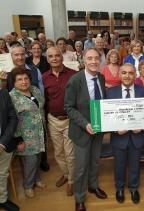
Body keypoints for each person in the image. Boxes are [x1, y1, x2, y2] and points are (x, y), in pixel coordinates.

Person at [64, 48, 107, 211]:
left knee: (95, 161)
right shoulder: (75, 80)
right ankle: (80, 197)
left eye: (96, 58)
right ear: (83, 60)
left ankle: (93, 186)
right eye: (89, 58)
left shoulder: (101, 78)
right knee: (81, 167)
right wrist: (85, 124)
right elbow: (68, 107)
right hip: (82, 131)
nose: (93, 61)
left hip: (98, 130)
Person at [107, 63, 144, 204]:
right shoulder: (110, 92)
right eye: (124, 73)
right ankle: (119, 188)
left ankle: (133, 188)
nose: (127, 76)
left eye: (130, 73)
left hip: (137, 136)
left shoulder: (143, 91)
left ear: (135, 75)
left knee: (135, 164)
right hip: (119, 137)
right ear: (119, 75)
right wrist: (114, 128)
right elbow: (107, 116)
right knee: (119, 164)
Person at [43, 47, 77, 196]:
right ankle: (66, 174)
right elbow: (43, 100)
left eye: (57, 55)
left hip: (70, 119)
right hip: (53, 120)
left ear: (62, 57)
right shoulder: (43, 77)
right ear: (47, 59)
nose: (55, 58)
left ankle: (72, 181)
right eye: (51, 56)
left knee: (70, 153)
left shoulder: (73, 74)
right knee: (58, 152)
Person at [9, 67, 47, 198]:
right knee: (29, 162)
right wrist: (18, 140)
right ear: (14, 82)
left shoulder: (35, 90)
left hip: (39, 133)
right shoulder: (12, 97)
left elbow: (41, 107)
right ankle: (28, 185)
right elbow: (11, 121)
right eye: (19, 79)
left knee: (38, 159)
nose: (24, 82)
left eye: (26, 78)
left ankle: (37, 180)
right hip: (25, 137)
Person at [0, 89, 19, 211]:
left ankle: (2, 200)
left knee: (2, 174)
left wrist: (2, 143)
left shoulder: (3, 93)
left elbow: (13, 118)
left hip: (3, 143)